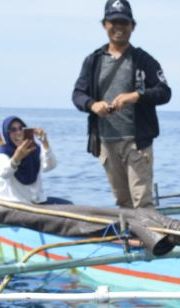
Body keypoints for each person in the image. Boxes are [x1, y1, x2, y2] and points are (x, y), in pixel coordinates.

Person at [71, 0, 171, 208]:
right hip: (106, 142)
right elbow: (78, 94)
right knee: (122, 201)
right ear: (104, 25)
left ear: (132, 27)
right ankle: (129, 239)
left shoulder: (144, 60)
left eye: (124, 23)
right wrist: (92, 105)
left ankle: (150, 239)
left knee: (142, 201)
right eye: (114, 22)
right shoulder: (93, 61)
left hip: (137, 142)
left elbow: (164, 92)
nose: (119, 28)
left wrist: (136, 96)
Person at [0, 116, 64, 205]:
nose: (18, 133)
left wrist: (45, 142)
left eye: (21, 128)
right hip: (11, 202)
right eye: (13, 130)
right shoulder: (4, 153)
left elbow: (50, 166)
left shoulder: (34, 150)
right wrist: (16, 158)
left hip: (35, 201)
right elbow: (3, 173)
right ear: (7, 134)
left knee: (69, 206)